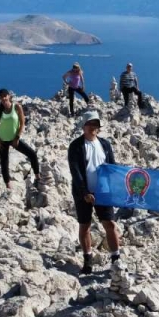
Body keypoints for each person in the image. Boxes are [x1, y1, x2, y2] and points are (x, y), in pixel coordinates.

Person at [66, 110, 122, 275]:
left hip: (103, 192)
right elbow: (75, 171)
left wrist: (119, 186)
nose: (93, 127)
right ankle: (88, 261)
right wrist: (84, 192)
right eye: (90, 124)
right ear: (83, 126)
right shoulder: (76, 146)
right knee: (85, 226)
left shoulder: (105, 144)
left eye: (96, 124)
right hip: (83, 192)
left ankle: (116, 259)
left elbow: (112, 166)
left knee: (110, 224)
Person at [0, 89, 40, 189]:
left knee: (32, 154)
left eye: (5, 95)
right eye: (1, 97)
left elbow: (22, 122)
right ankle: (8, 186)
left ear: (9, 96)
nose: (4, 98)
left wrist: (17, 137)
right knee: (4, 163)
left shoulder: (16, 106)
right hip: (2, 140)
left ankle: (38, 177)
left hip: (14, 138)